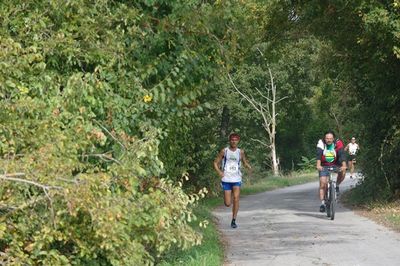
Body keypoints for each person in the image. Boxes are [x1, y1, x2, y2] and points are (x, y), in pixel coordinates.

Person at [213, 133, 252, 228]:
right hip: (226, 179)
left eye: (235, 140)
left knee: (236, 198)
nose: (234, 141)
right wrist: (219, 172)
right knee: (227, 203)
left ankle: (233, 220)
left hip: (236, 178)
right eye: (232, 140)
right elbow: (215, 162)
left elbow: (244, 161)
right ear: (229, 141)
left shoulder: (240, 152)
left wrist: (248, 167)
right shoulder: (224, 151)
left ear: (238, 141)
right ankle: (228, 197)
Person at [316, 131, 347, 212]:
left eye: (330, 138)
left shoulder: (338, 143)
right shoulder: (321, 143)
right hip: (324, 165)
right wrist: (318, 165)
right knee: (323, 184)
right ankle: (322, 203)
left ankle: (336, 185)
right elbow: (318, 154)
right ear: (324, 138)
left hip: (336, 164)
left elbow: (342, 154)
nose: (328, 140)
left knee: (343, 172)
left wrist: (344, 165)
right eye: (327, 138)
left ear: (333, 139)